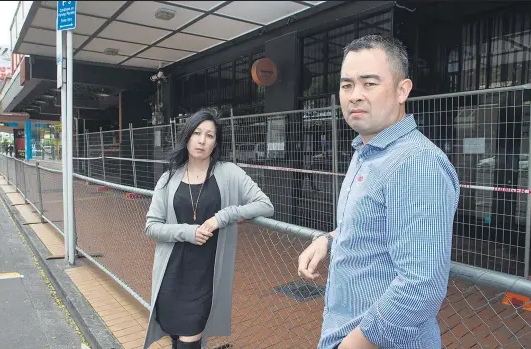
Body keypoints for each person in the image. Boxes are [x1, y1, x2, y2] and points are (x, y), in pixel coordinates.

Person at [297, 34, 460, 349]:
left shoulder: (416, 163)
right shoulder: (365, 151)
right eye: (347, 85)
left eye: (369, 83)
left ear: (403, 90)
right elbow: (373, 225)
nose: (355, 95)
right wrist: (328, 240)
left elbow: (421, 286)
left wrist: (352, 345)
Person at [143, 108, 274, 349]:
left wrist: (222, 217)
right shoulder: (169, 177)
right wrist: (188, 232)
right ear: (187, 136)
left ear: (216, 142)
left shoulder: (229, 172)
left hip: (205, 277)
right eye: (197, 133)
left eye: (210, 135)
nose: (202, 140)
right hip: (171, 275)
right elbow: (152, 227)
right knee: (177, 338)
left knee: (190, 339)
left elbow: (265, 205)